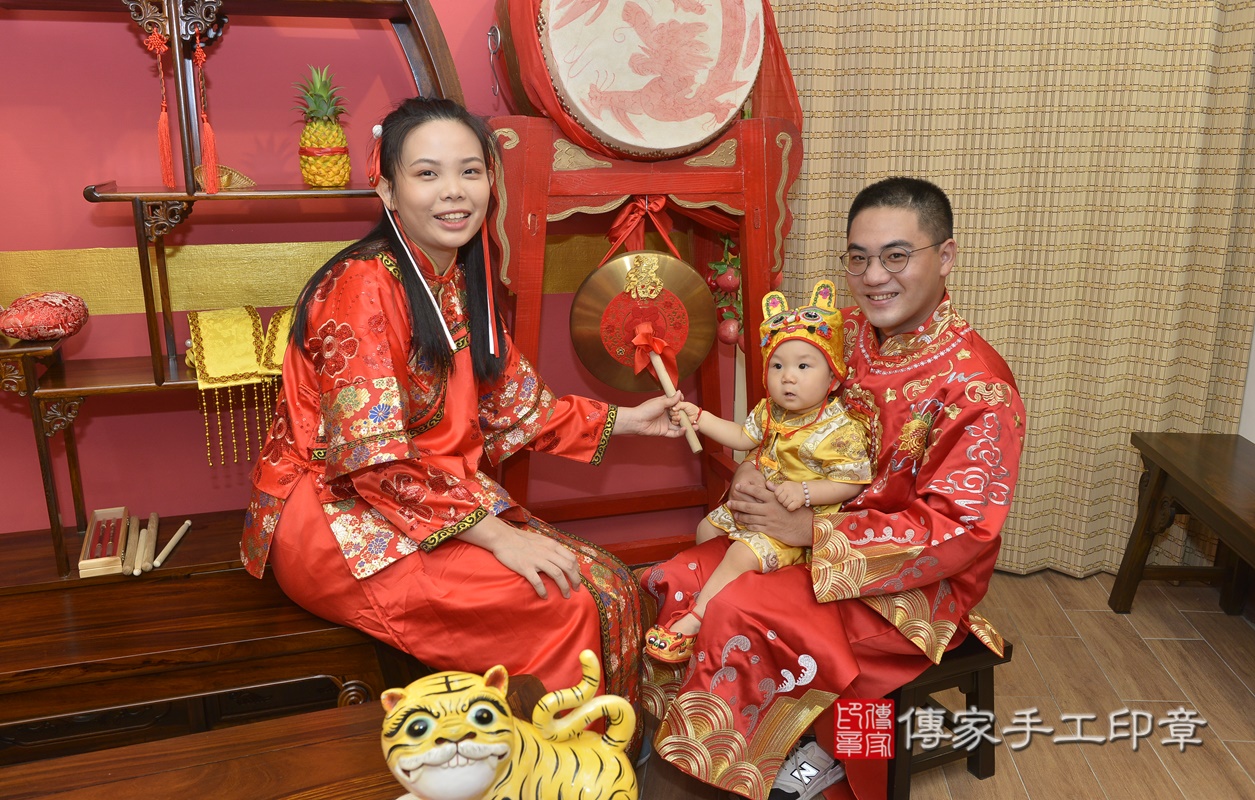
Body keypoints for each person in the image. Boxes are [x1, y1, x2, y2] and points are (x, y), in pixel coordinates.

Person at [240, 97, 685, 728]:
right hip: (339, 517)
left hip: (426, 498)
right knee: (564, 603)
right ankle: (552, 763)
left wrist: (630, 420)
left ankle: (586, 759)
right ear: (387, 190)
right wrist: (500, 536)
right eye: (427, 173)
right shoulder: (362, 285)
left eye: (470, 171)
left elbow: (515, 407)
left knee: (607, 583)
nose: (454, 191)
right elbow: (373, 459)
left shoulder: (456, 277)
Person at [638, 177, 1026, 800]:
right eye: (859, 258)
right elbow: (777, 423)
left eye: (896, 256)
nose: (874, 277)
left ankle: (800, 758)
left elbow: (959, 531)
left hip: (906, 582)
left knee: (741, 612)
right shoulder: (839, 332)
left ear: (946, 256)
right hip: (797, 534)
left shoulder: (979, 387)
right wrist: (752, 472)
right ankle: (729, 746)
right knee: (685, 575)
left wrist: (814, 532)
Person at [643, 279, 871, 663]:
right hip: (761, 504)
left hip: (798, 520)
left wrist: (806, 492)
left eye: (803, 366)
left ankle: (696, 620)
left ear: (833, 378)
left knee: (742, 554)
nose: (788, 377)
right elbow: (740, 437)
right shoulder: (770, 411)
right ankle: (713, 592)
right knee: (706, 528)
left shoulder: (838, 428)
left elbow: (851, 482)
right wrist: (699, 417)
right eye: (778, 366)